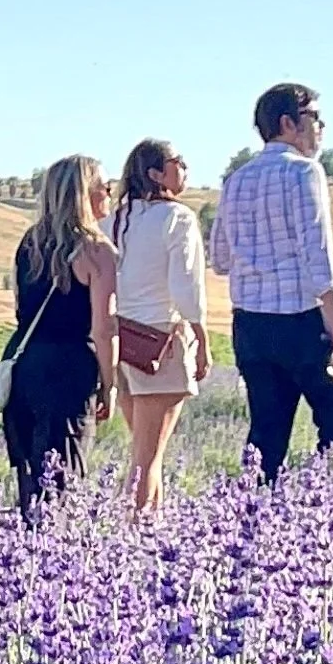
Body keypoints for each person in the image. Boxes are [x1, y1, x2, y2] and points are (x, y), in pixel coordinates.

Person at [209, 81, 333, 484]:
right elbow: (318, 257)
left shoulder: (235, 180)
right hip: (302, 321)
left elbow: (220, 260)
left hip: (251, 325)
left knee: (266, 434)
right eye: (314, 117)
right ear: (287, 124)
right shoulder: (304, 172)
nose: (321, 127)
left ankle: (252, 518)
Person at [1, 156, 117, 522]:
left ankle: (25, 563)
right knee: (63, 476)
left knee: (31, 481)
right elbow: (104, 328)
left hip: (25, 364)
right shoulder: (97, 252)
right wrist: (109, 385)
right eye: (105, 186)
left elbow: (21, 307)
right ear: (87, 193)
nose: (110, 193)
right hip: (69, 370)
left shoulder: (29, 244)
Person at [110, 139, 211, 511]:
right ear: (156, 174)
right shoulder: (177, 218)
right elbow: (186, 286)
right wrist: (201, 338)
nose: (184, 168)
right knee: (147, 459)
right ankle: (136, 537)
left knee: (145, 451)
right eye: (177, 161)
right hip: (160, 343)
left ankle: (153, 530)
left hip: (122, 342)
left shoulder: (112, 221)